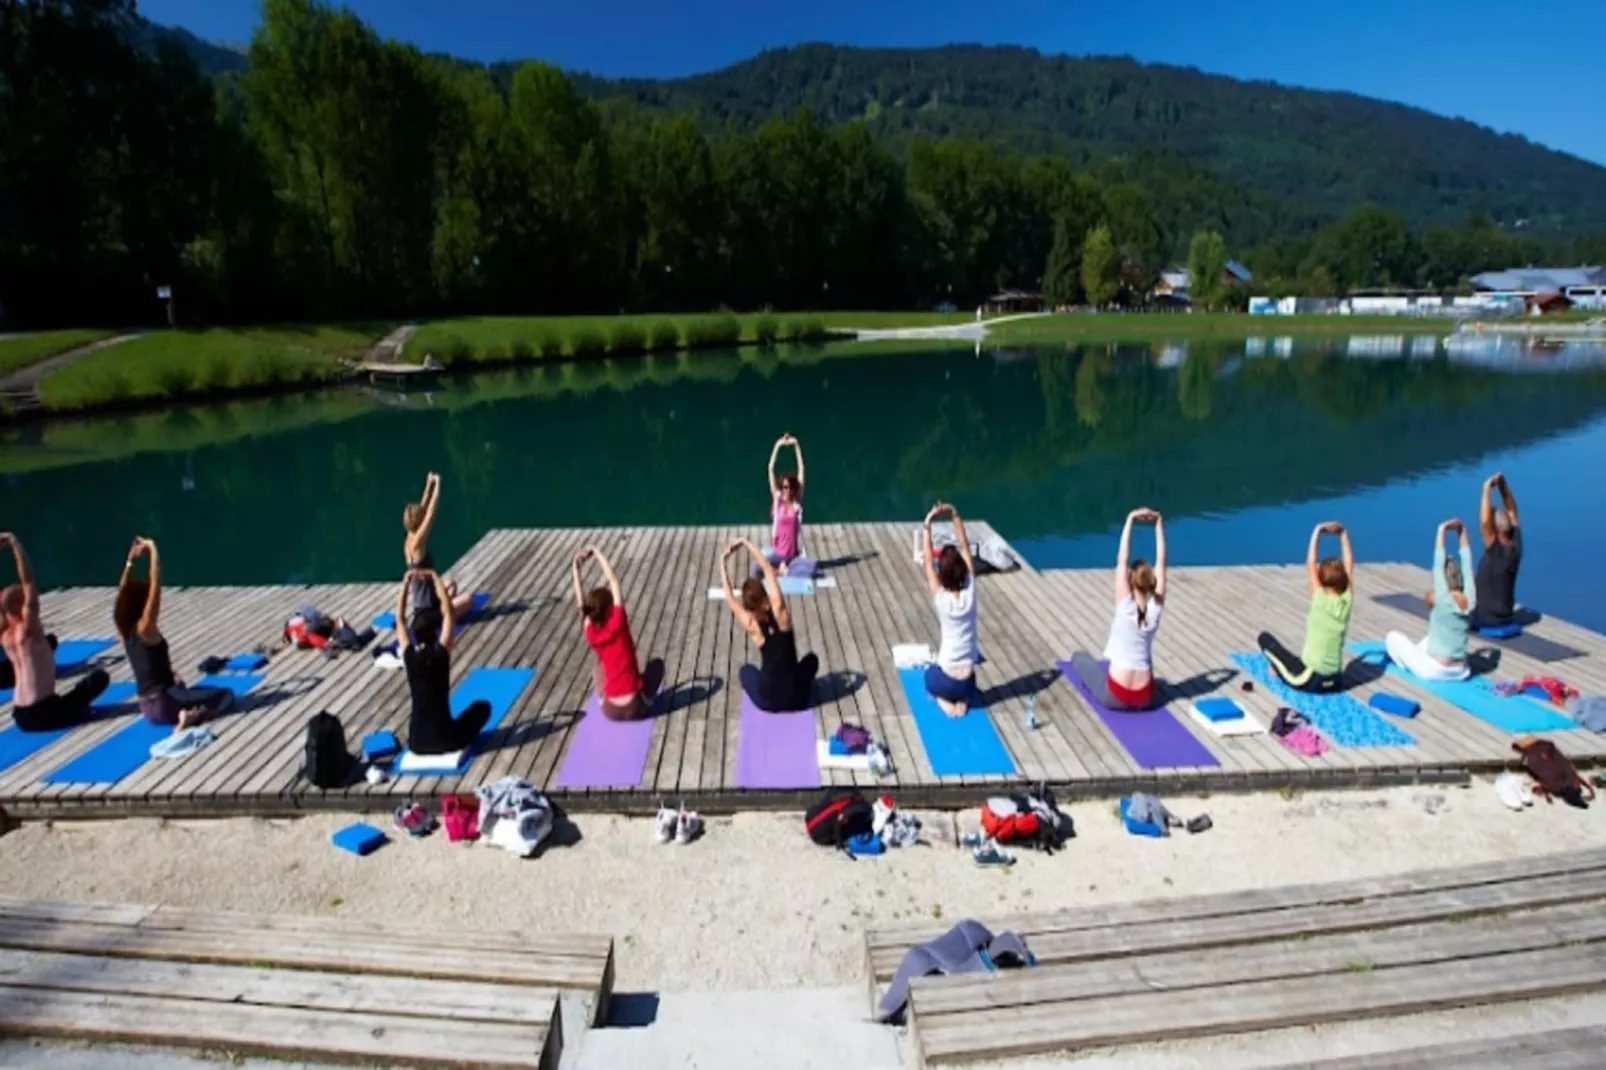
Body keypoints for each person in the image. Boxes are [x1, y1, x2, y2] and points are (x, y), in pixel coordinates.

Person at [114, 538, 232, 728]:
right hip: (165, 703)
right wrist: (152, 548)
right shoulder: (145, 627)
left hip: (146, 707)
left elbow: (122, 594)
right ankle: (190, 717)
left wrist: (130, 562)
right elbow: (155, 584)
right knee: (226, 696)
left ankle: (184, 709)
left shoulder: (124, 629)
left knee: (187, 688)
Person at [1, 533, 109, 732]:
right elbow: (29, 581)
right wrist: (14, 544)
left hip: (19, 714)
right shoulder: (28, 628)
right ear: (21, 604)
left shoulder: (4, 635)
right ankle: (72, 711)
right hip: (42, 712)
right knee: (99, 678)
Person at [397, 568, 489, 755]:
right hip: (446, 740)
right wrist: (434, 577)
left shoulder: (410, 657)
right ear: (435, 632)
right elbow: (448, 614)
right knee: (482, 708)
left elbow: (399, 619)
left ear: (415, 635)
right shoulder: (440, 655)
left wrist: (406, 583)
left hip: (416, 743)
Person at [1257, 522, 1355, 693]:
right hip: (1337, 679)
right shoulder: (1347, 600)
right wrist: (1343, 534)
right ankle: (1281, 669)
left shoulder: (1319, 598)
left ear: (1321, 579)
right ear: (1344, 581)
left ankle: (1279, 670)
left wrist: (1318, 530)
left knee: (1265, 640)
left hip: (1311, 680)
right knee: (1292, 659)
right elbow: (1349, 564)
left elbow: (1311, 562)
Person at [722, 538, 818, 712]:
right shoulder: (780, 613)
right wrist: (746, 543)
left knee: (746, 671)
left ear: (748, 607)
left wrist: (723, 560)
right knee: (812, 660)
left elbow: (730, 599)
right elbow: (767, 568)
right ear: (764, 594)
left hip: (768, 701)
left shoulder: (751, 624)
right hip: (794, 699)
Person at [572, 546, 662, 721]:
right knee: (657, 665)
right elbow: (613, 580)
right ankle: (644, 699)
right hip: (636, 706)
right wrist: (597, 552)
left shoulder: (591, 634)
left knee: (598, 669)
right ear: (609, 609)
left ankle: (604, 698)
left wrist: (575, 567)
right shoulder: (618, 621)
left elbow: (580, 604)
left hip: (610, 710)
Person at [1385, 520, 1476, 681]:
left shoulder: (1442, 598)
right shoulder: (1471, 598)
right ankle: (1419, 659)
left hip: (1435, 670)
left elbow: (1438, 560)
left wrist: (1441, 530)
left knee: (1392, 637)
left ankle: (1406, 667)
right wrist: (1462, 531)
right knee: (1429, 639)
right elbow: (1467, 564)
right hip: (1461, 671)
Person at [1102, 508, 1167, 710]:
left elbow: (1122, 559)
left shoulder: (1124, 604)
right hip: (1144, 698)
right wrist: (1158, 524)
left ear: (1130, 581)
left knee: (1082, 662)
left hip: (1117, 695)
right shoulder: (1156, 607)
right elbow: (1162, 562)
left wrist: (1130, 518)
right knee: (1148, 664)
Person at [921, 503, 980, 717]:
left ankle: (944, 701)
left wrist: (928, 523)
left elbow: (927, 560)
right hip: (967, 682)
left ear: (942, 575)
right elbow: (965, 547)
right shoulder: (971, 593)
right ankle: (963, 700)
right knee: (968, 681)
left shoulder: (941, 599)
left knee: (928, 677)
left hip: (945, 680)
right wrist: (955, 514)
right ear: (963, 572)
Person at [402, 471, 475, 621]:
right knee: (468, 599)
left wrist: (429, 484)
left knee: (451, 584)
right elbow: (430, 512)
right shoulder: (418, 543)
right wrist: (438, 484)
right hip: (429, 611)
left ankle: (445, 608)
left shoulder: (409, 537)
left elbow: (423, 507)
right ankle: (443, 618)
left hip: (423, 602)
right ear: (418, 521)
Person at [1475, 472, 1522, 628]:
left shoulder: (1496, 552)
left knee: (1440, 599)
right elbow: (1513, 512)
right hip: (1507, 616)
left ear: (1495, 532)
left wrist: (1486, 489)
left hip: (1486, 618)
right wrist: (1502, 485)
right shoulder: (1515, 545)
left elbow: (1484, 523)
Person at [761, 434, 807, 574]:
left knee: (812, 568)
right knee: (756, 568)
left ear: (794, 489)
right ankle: (781, 570)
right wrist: (778, 445)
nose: (786, 490)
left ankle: (782, 569)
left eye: (789, 487)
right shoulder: (778, 501)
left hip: (793, 555)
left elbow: (802, 469)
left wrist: (796, 446)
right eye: (784, 487)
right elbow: (770, 468)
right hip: (778, 553)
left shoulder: (796, 503)